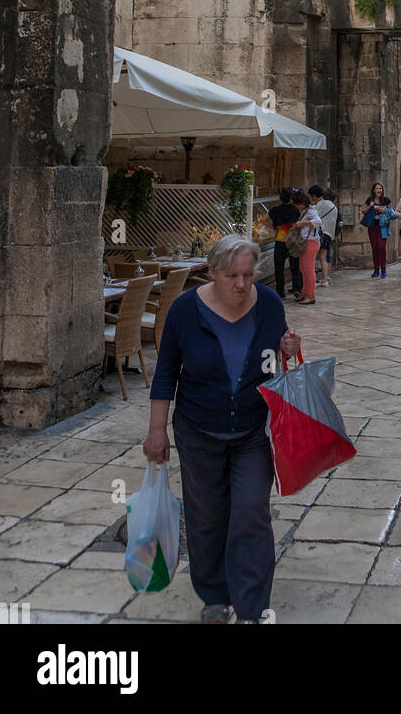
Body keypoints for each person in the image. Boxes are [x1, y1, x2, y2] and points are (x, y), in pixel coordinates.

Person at [143, 234, 301, 624]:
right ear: (211, 272)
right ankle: (214, 595)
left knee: (251, 514)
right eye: (231, 275)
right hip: (198, 431)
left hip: (253, 431)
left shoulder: (269, 303)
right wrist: (156, 431)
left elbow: (274, 362)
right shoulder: (184, 311)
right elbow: (165, 374)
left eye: (248, 274)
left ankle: (250, 605)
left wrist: (286, 349)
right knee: (206, 517)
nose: (242, 284)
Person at [268, 187, 302, 298]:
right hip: (293, 241)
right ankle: (297, 289)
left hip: (280, 240)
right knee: (295, 267)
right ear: (292, 198)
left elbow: (263, 219)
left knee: (279, 267)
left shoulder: (275, 210)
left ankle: (280, 292)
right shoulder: (296, 210)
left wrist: (274, 229)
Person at [293, 190, 322, 305]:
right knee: (303, 268)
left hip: (311, 242)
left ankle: (311, 295)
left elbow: (318, 222)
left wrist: (302, 223)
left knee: (308, 270)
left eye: (297, 204)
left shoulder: (311, 211)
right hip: (306, 242)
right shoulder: (305, 210)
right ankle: (305, 292)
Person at [310, 184, 336, 288]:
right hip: (329, 235)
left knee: (312, 257)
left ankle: (312, 280)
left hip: (321, 233)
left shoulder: (321, 203)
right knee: (323, 257)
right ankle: (325, 279)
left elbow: (314, 215)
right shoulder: (334, 207)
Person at [363, 183, 389, 277]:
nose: (379, 190)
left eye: (380, 188)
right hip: (372, 227)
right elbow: (363, 211)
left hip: (383, 227)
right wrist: (370, 206)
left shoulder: (386, 200)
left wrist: (384, 211)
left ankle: (383, 269)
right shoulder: (370, 199)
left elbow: (391, 212)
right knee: (375, 248)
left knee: (381, 248)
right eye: (377, 188)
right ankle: (376, 270)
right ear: (374, 190)